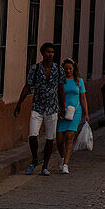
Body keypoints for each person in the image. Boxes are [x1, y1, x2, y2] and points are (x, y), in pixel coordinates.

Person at [13, 42, 65, 175]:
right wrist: (19, 103)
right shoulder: (35, 69)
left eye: (52, 52)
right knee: (33, 135)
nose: (50, 54)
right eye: (48, 52)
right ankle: (35, 159)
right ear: (42, 53)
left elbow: (61, 89)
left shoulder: (59, 69)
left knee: (49, 138)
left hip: (52, 108)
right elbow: (27, 86)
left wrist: (62, 107)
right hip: (37, 107)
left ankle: (45, 166)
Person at [56, 57, 88, 174]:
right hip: (61, 111)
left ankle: (66, 164)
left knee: (70, 137)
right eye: (66, 69)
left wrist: (86, 113)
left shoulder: (79, 81)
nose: (68, 71)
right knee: (59, 139)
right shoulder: (60, 81)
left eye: (70, 69)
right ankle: (62, 157)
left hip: (75, 111)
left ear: (74, 69)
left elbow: (83, 98)